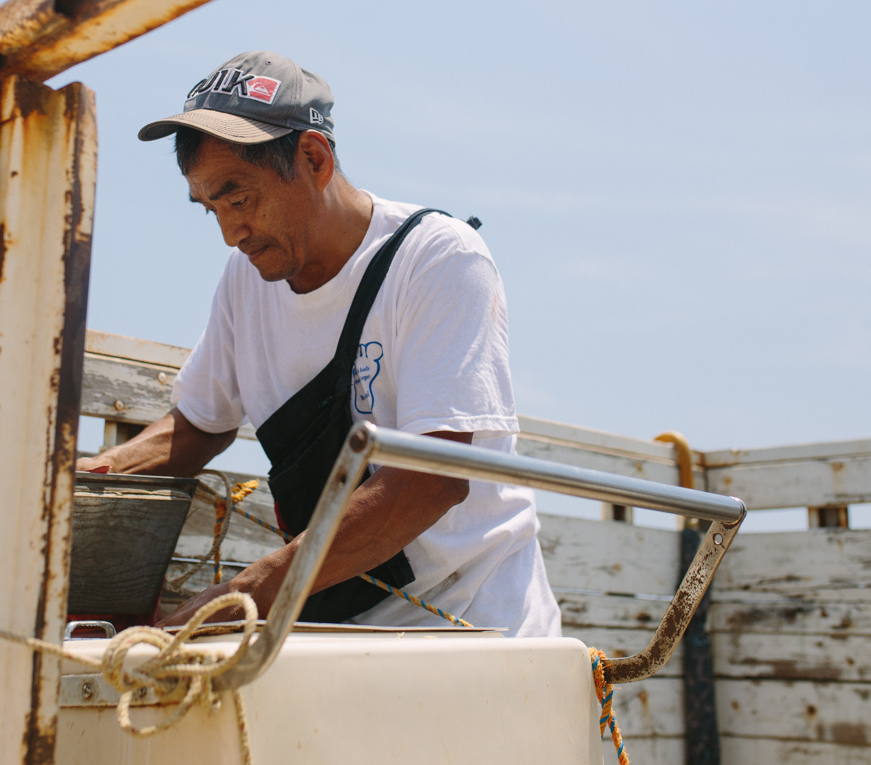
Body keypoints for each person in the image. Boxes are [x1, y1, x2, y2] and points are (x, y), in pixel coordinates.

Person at [79, 51, 560, 637]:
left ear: (314, 158)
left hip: (473, 624)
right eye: (212, 211)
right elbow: (200, 425)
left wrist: (244, 594)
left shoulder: (437, 260)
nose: (231, 233)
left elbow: (431, 480)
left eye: (240, 199)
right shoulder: (246, 280)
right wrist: (92, 476)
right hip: (332, 623)